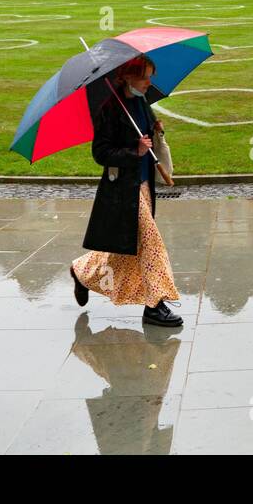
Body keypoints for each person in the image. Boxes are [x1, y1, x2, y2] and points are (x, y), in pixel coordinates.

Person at [69, 54, 182, 327]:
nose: (148, 82)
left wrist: (156, 132)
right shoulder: (109, 109)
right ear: (127, 77)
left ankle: (82, 270)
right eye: (144, 77)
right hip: (123, 190)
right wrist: (135, 151)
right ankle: (154, 305)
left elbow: (148, 138)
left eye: (150, 76)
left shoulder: (142, 103)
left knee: (125, 251)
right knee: (151, 244)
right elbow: (101, 153)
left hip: (144, 184)